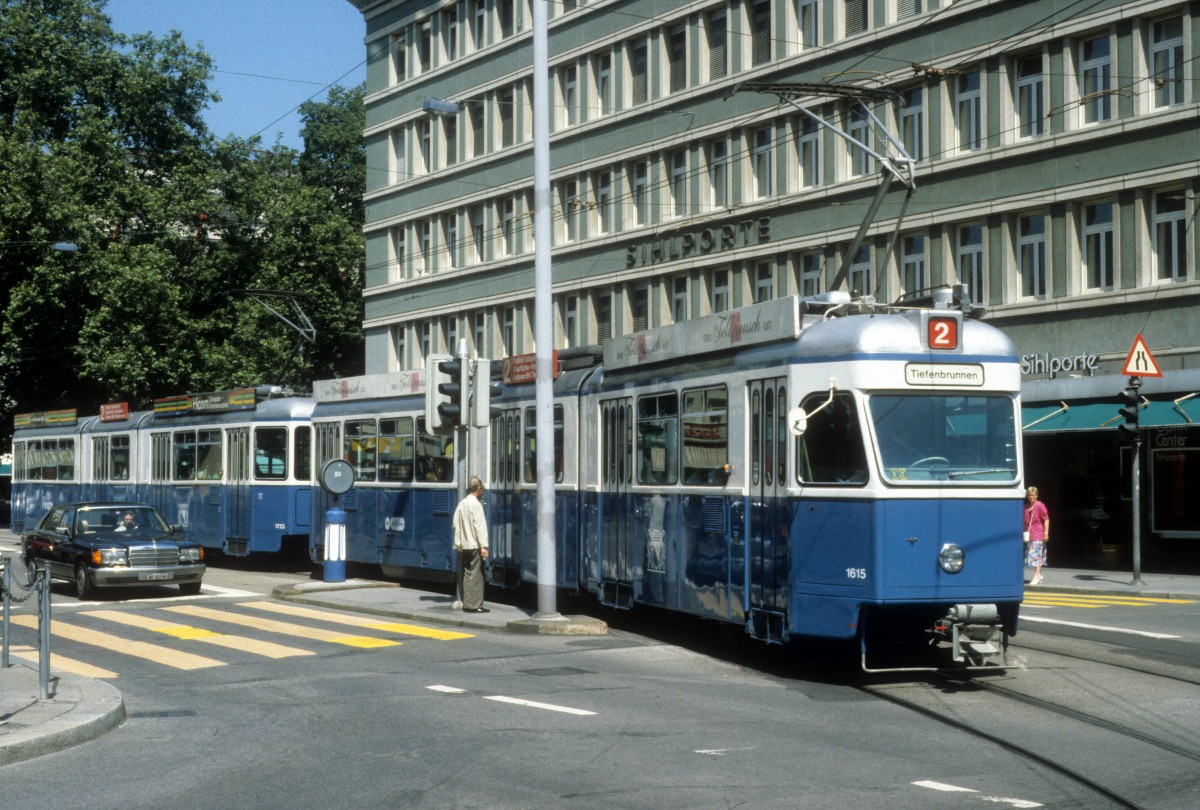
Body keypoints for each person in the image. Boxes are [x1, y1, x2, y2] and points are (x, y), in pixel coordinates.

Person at [453, 476, 490, 612]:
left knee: (468, 573)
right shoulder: (476, 505)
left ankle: (467, 603)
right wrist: (483, 547)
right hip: (475, 544)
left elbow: (455, 523)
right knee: (476, 574)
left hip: (464, 544)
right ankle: (474, 606)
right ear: (479, 489)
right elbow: (480, 527)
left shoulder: (462, 503)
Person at [1024, 486, 1050, 585]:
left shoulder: (1040, 506)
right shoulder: (1025, 507)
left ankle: (1036, 576)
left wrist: (1046, 533)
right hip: (1029, 535)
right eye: (1030, 495)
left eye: (1033, 495)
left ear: (1037, 496)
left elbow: (1046, 519)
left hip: (1038, 533)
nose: (1031, 497)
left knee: (1036, 556)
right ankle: (1039, 575)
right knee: (1033, 555)